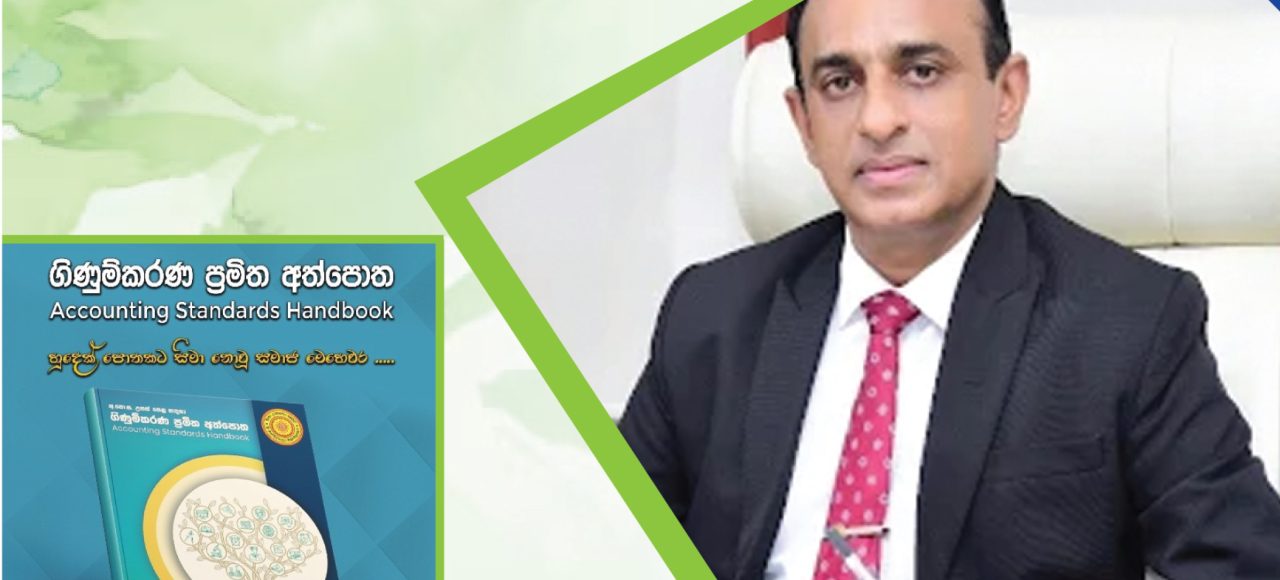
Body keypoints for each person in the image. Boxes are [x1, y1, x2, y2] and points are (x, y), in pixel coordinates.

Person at [617, 0, 1280, 578]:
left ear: (1006, 95)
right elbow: (603, 544)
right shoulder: (711, 316)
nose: (878, 120)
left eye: (922, 72)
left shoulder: (1129, 321)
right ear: (804, 123)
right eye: (840, 82)